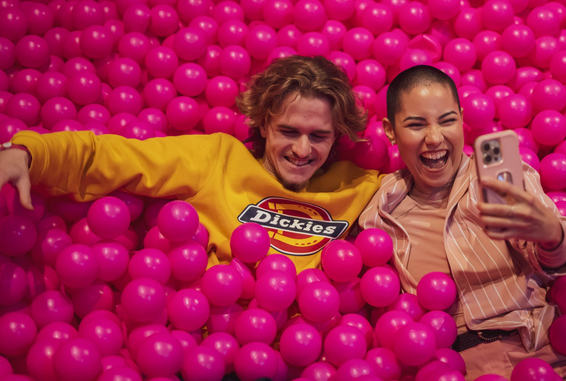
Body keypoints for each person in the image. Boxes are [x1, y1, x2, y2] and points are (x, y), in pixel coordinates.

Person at [358, 65, 566, 381]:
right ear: (390, 131)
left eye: (447, 121)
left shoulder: (498, 176)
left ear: (461, 119)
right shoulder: (381, 210)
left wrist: (551, 234)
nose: (434, 138)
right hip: (457, 372)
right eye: (416, 125)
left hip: (551, 351)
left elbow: (557, 260)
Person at [0, 55, 380, 270]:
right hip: (222, 346)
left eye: (318, 136)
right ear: (264, 123)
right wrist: (28, 153)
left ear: (337, 137)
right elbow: (116, 156)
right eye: (288, 131)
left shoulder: (360, 186)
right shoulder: (218, 158)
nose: (301, 149)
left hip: (317, 354)